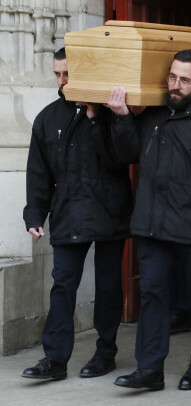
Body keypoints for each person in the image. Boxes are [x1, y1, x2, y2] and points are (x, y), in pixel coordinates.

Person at [107, 49, 191, 391]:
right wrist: (122, 117)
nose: (176, 85)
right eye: (172, 77)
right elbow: (126, 155)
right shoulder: (151, 116)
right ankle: (149, 370)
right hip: (152, 225)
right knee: (153, 296)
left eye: (184, 79)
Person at [21, 48, 133, 381]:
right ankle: (54, 361)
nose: (62, 80)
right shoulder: (48, 117)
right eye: (57, 73)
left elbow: (124, 158)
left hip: (111, 211)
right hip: (69, 212)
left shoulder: (113, 113)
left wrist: (100, 117)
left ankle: (105, 353)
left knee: (109, 286)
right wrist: (34, 214)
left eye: (68, 73)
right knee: (63, 285)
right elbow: (38, 172)